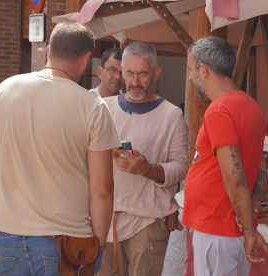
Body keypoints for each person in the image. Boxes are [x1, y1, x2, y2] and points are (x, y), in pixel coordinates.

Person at [0, 22, 121, 276]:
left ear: (48, 51)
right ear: (87, 59)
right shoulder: (93, 106)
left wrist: (3, 222)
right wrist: (98, 246)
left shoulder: (3, 91)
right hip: (66, 244)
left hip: (8, 238)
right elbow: (102, 190)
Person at [97, 41, 188, 276]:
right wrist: (98, 153)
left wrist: (147, 169)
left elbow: (180, 169)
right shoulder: (104, 108)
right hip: (106, 219)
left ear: (156, 73)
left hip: (148, 222)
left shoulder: (171, 115)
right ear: (121, 72)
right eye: (129, 73)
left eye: (143, 74)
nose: (135, 82)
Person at [182, 36, 268, 276]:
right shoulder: (251, 105)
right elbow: (261, 165)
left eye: (191, 70)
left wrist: (251, 230)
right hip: (228, 228)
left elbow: (234, 177)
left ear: (203, 70)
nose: (191, 77)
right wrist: (252, 208)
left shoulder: (219, 109)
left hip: (217, 228)